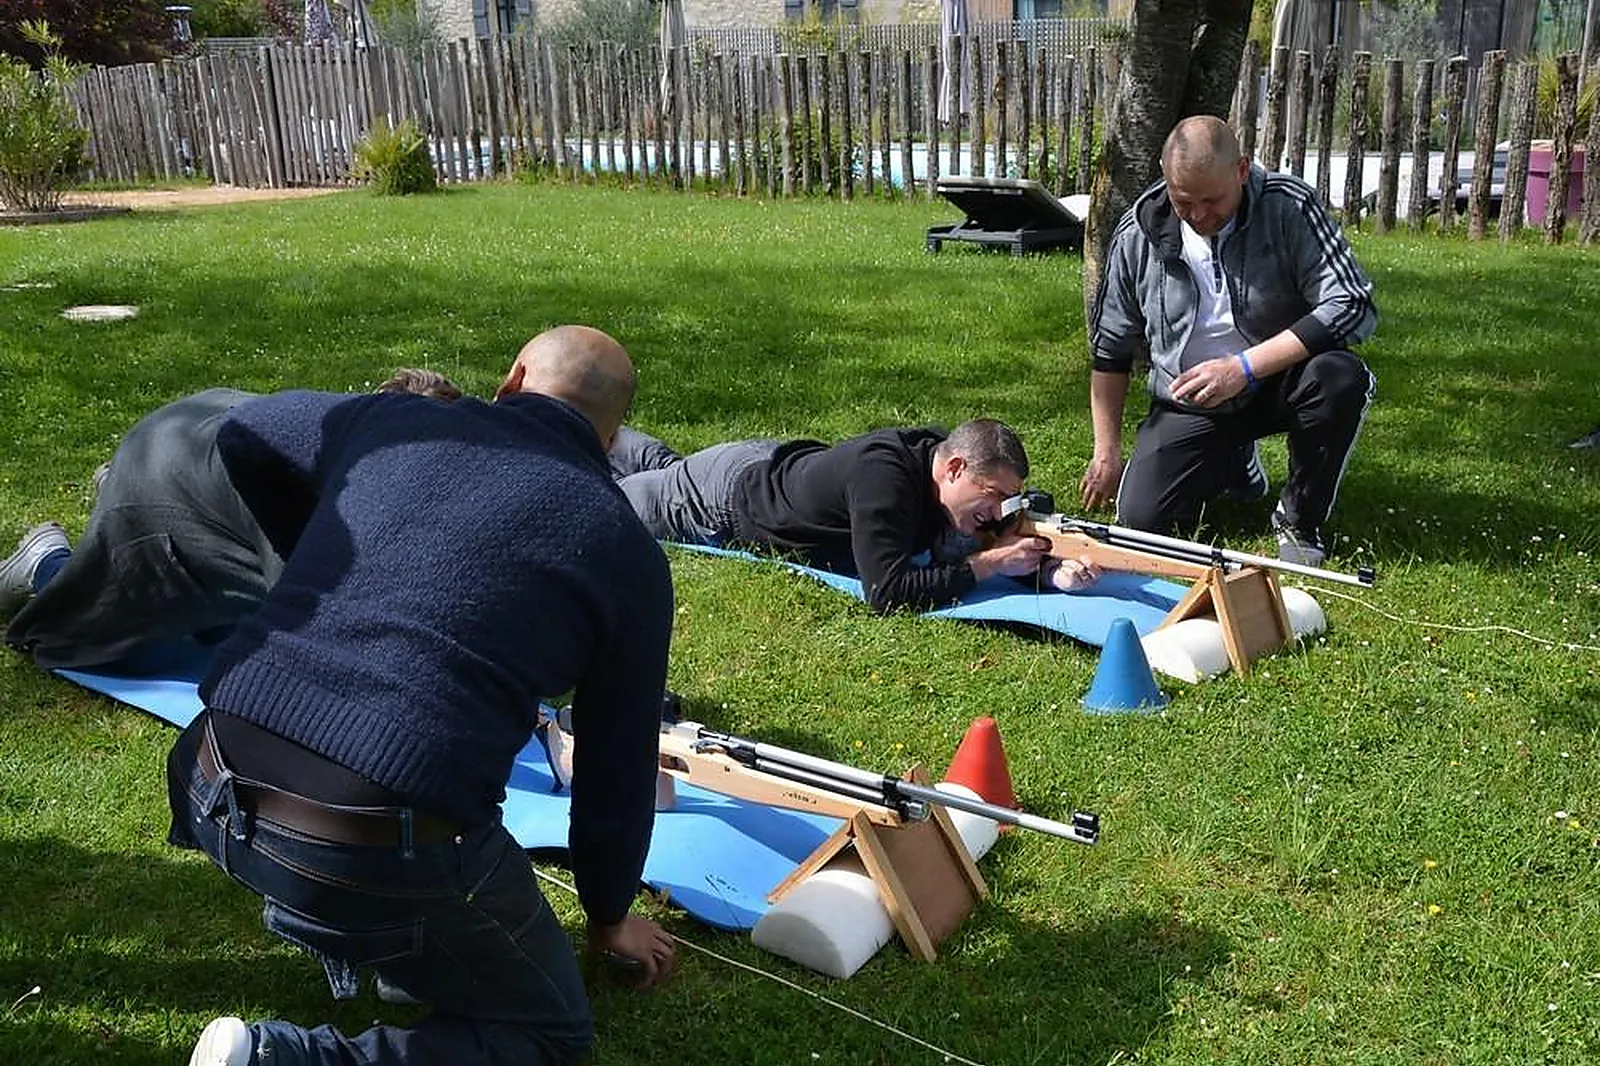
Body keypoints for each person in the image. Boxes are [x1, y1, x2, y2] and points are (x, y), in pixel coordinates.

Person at [174, 325, 675, 1066]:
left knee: (397, 892)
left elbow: (245, 427)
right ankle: (282, 1058)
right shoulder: (628, 553)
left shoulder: (393, 420)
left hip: (208, 777)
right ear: (612, 439)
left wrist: (319, 548)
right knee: (550, 1036)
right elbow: (615, 769)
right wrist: (609, 917)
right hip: (366, 845)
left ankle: (397, 944)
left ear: (512, 378)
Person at [1, 368, 461, 670]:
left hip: (198, 429)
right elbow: (323, 637)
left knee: (225, 624)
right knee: (103, 644)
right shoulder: (316, 495)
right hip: (161, 476)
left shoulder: (356, 436)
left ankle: (122, 490)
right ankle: (46, 563)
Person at [1081, 114, 1377, 567]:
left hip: (1279, 380)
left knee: (1339, 376)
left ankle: (1299, 520)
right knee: (1140, 524)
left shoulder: (1289, 206)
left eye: (1212, 200)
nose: (1199, 216)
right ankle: (1236, 463)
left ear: (1242, 170)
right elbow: (1111, 348)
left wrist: (1243, 369)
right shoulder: (1138, 231)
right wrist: (1106, 452)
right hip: (1190, 399)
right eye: (1184, 202)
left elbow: (1353, 304)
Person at [609, 418, 1101, 613]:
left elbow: (1004, 530)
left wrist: (1051, 568)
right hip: (721, 500)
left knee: (666, 469)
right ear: (953, 469)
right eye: (993, 496)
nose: (997, 512)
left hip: (766, 460)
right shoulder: (885, 483)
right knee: (606, 502)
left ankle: (605, 424)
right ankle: (579, 414)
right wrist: (989, 565)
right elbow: (887, 595)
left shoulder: (942, 470)